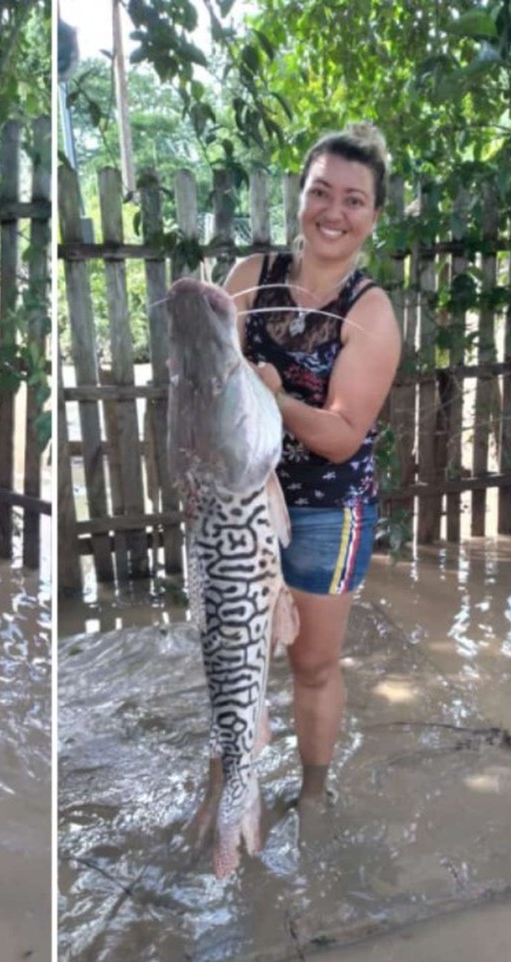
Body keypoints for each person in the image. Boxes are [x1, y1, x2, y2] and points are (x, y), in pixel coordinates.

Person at [188, 122, 401, 832]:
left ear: (373, 214)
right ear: (300, 197)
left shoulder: (371, 313)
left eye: (354, 199)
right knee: (227, 650)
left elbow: (341, 437)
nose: (333, 212)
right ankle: (227, 778)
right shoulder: (249, 278)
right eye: (321, 192)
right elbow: (200, 375)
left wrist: (273, 399)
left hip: (324, 510)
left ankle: (312, 791)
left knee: (311, 662)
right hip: (232, 500)